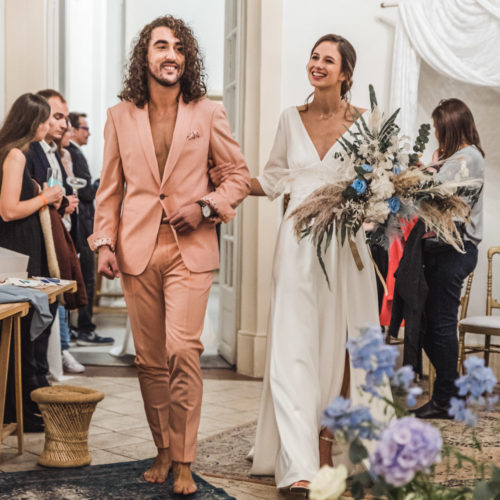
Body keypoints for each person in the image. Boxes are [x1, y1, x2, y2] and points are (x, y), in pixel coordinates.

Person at [211, 34, 391, 494]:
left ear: (346, 73)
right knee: (293, 346)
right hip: (295, 245)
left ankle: (336, 440)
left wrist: (371, 206)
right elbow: (272, 178)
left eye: (328, 59)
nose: (317, 64)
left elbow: (379, 184)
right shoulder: (290, 119)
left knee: (346, 347)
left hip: (344, 250)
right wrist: (224, 186)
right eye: (314, 56)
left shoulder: (367, 123)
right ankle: (298, 464)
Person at [88, 16, 250, 495]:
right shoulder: (120, 116)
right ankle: (162, 448)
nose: (171, 54)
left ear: (187, 58)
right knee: (151, 360)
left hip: (189, 250)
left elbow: (237, 177)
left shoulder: (206, 113)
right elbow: (109, 189)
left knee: (184, 351)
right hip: (137, 249)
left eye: (179, 47)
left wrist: (205, 206)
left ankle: (185, 457)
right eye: (161, 46)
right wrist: (103, 244)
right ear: (146, 56)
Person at [415, 98, 484, 419]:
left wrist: (423, 173)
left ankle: (445, 400)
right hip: (445, 250)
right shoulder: (458, 157)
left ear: (452, 127)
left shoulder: (468, 157)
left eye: (441, 130)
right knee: (429, 325)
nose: (438, 136)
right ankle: (451, 392)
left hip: (455, 251)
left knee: (440, 326)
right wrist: (432, 167)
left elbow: (439, 196)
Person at [0, 93, 63, 430]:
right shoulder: (16, 154)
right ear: (30, 122)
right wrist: (45, 197)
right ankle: (18, 411)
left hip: (20, 248)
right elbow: (8, 211)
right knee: (22, 333)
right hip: (17, 250)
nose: (46, 125)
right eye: (43, 119)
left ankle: (21, 408)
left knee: (25, 333)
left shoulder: (14, 152)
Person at [67, 112, 112, 347]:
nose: (89, 133)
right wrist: (102, 183)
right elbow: (84, 192)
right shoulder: (72, 152)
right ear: (73, 129)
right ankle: (85, 329)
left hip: (82, 222)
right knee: (87, 277)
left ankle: (80, 328)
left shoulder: (73, 152)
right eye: (85, 128)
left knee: (86, 275)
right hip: (82, 225)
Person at [55, 125, 85, 374]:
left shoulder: (64, 154)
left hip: (67, 227)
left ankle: (64, 346)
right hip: (55, 227)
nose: (68, 129)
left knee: (67, 290)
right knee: (61, 294)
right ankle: (62, 349)